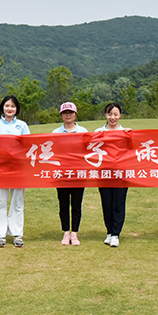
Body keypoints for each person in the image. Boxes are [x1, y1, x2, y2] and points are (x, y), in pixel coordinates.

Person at [0, 95, 31, 248]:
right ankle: (0, 235)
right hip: (0, 168)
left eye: (12, 106)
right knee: (0, 201)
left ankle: (17, 233)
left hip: (18, 168)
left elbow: (29, 145)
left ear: (16, 108)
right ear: (2, 108)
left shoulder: (22, 125)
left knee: (18, 201)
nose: (10, 109)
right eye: (7, 106)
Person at [52, 102, 88, 246]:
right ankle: (66, 232)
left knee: (77, 204)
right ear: (61, 115)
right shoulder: (55, 133)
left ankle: (75, 233)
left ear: (75, 114)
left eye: (70, 112)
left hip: (78, 174)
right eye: (65, 112)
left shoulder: (83, 131)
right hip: (61, 174)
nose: (68, 115)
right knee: (63, 204)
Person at [95, 103, 129, 248]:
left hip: (121, 174)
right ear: (105, 115)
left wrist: (130, 135)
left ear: (120, 115)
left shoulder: (126, 132)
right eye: (110, 114)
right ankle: (109, 232)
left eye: (115, 114)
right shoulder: (98, 131)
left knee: (118, 204)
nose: (112, 117)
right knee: (107, 203)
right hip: (104, 174)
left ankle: (116, 234)